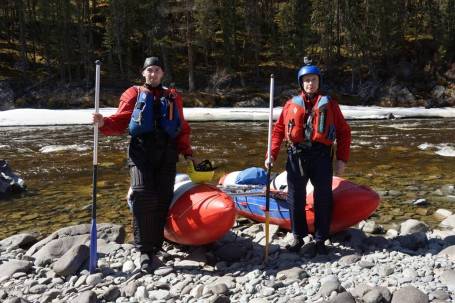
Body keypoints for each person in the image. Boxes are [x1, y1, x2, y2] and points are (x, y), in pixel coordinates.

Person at [92, 56, 196, 271]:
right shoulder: (133, 93)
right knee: (142, 194)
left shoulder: (173, 96)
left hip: (167, 152)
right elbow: (120, 120)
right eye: (150, 70)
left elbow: (181, 127)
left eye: (157, 70)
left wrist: (187, 152)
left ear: (162, 74)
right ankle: (143, 250)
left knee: (162, 198)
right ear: (143, 73)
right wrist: (103, 123)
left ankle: (156, 245)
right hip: (141, 151)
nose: (153, 73)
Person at [265, 58, 351, 254]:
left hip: (321, 156)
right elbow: (278, 131)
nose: (310, 84)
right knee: (296, 197)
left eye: (313, 80)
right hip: (296, 156)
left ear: (319, 82)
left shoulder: (330, 105)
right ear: (301, 83)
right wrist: (271, 153)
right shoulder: (290, 105)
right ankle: (298, 236)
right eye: (306, 80)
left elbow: (344, 132)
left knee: (323, 197)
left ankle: (321, 238)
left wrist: (341, 159)